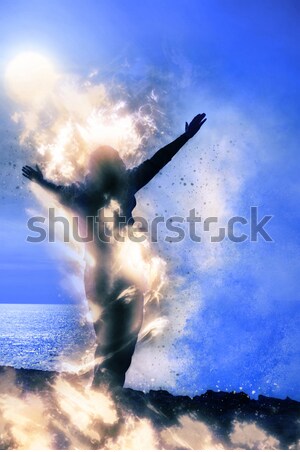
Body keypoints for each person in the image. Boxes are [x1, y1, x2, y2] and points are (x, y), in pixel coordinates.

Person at [22, 113, 207, 389]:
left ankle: (104, 396)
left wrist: (40, 181)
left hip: (105, 276)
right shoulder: (119, 186)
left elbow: (156, 162)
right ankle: (105, 396)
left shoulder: (87, 193)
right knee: (118, 341)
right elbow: (157, 161)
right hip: (113, 276)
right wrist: (186, 136)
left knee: (113, 342)